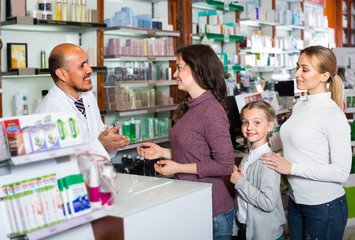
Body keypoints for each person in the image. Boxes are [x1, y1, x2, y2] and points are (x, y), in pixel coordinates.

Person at [137, 44, 235, 240]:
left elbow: (225, 165)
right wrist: (163, 152)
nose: (175, 74)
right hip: (194, 202)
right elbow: (197, 152)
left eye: (179, 67)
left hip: (213, 210)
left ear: (197, 68)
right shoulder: (193, 106)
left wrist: (178, 167)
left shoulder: (211, 111)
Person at [261, 45, 352, 240]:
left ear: (324, 76)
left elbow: (341, 172)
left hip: (324, 207)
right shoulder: (300, 105)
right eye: (297, 67)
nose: (296, 74)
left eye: (304, 69)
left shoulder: (333, 116)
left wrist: (291, 168)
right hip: (296, 201)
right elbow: (298, 145)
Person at [35, 43, 130, 160]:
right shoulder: (48, 113)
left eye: (87, 63)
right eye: (81, 66)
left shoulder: (87, 95)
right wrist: (101, 144)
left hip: (97, 173)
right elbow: (62, 161)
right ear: (62, 74)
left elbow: (96, 131)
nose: (89, 69)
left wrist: (110, 140)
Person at [230, 100, 286, 240]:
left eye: (257, 122)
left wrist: (240, 181)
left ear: (270, 126)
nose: (249, 127)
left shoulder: (267, 161)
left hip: (265, 234)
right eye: (245, 122)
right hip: (248, 227)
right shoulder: (249, 156)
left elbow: (268, 202)